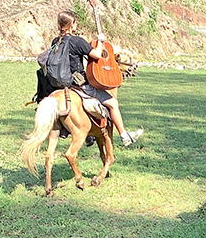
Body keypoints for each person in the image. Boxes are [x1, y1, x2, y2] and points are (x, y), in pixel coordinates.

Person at [53, 11, 143, 147]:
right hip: (78, 84)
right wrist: (100, 41)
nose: (76, 25)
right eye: (75, 22)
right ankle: (124, 135)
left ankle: (89, 135)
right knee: (112, 103)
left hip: (59, 85)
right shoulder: (78, 41)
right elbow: (96, 55)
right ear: (71, 24)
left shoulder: (56, 42)